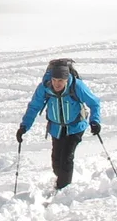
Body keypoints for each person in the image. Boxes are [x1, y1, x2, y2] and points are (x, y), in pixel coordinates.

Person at [17, 57, 103, 191]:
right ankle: (61, 180)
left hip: (75, 127)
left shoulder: (77, 86)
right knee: (56, 161)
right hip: (56, 128)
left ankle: (63, 190)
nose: (57, 84)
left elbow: (94, 103)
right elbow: (34, 106)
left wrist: (95, 121)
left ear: (67, 79)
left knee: (66, 160)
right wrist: (24, 126)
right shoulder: (45, 88)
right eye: (54, 80)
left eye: (60, 81)